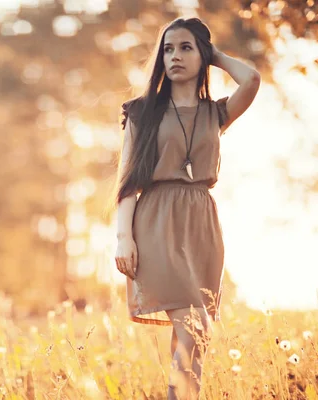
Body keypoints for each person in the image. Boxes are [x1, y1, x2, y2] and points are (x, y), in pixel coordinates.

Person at [112, 17, 260, 400]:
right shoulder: (142, 111)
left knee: (191, 339)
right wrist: (123, 237)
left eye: (186, 48)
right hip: (157, 221)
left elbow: (252, 81)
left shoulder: (215, 113)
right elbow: (127, 181)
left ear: (203, 55)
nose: (174, 55)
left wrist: (217, 56)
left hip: (203, 224)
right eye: (168, 49)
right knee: (197, 327)